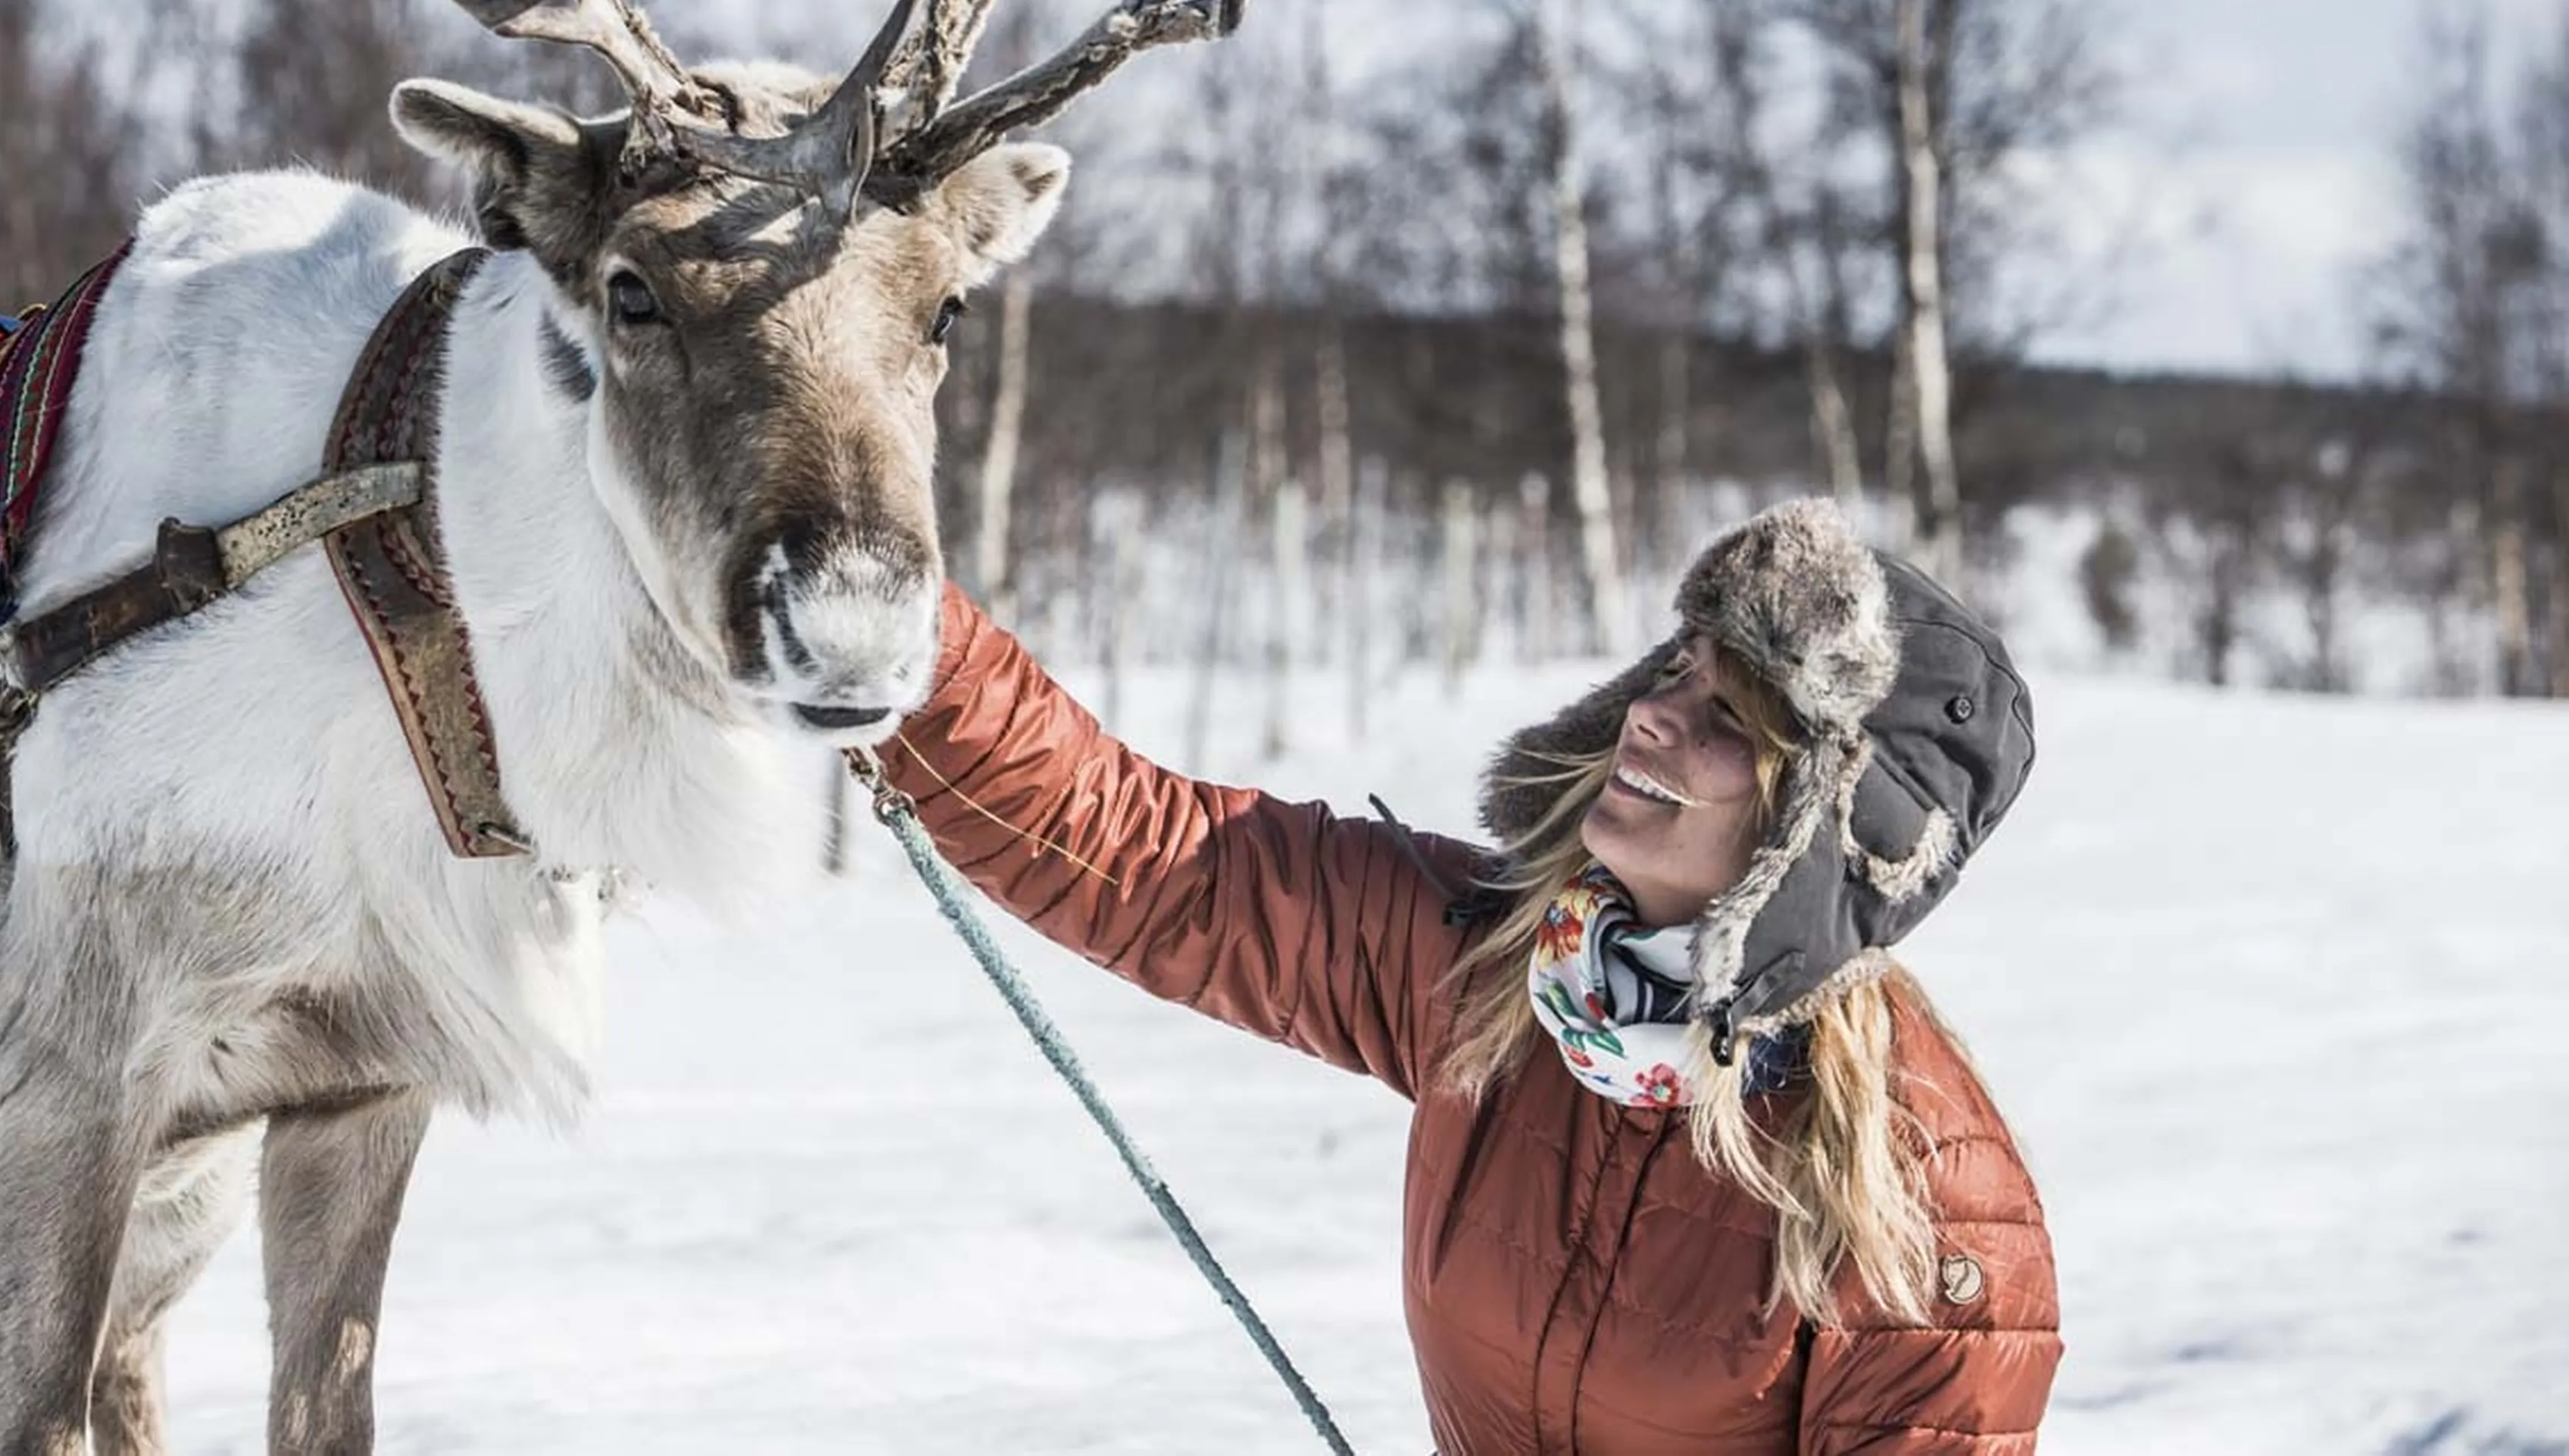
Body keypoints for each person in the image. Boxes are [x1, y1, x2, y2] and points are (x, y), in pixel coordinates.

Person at [874, 497, 2058, 1454]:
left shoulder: (1928, 1204)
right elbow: (1152, 860)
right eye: (1676, 668)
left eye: (1725, 714)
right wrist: (889, 619)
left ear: (1819, 824)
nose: (1650, 712)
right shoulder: (1506, 973)